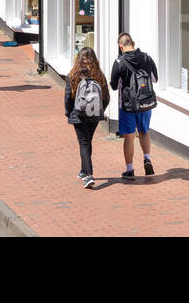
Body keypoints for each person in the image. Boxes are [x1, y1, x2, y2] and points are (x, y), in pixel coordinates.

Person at [110, 32, 158, 179]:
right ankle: (147, 158)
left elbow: (112, 85)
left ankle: (130, 170)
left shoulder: (119, 62)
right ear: (133, 43)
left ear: (120, 46)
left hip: (128, 105)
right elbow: (155, 79)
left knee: (129, 136)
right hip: (145, 102)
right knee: (144, 131)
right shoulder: (147, 58)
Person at [64, 47, 109, 189]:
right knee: (87, 142)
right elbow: (106, 97)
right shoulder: (99, 75)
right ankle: (83, 171)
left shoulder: (73, 75)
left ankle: (89, 175)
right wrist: (100, 110)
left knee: (84, 143)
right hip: (94, 114)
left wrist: (68, 112)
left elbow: (68, 98)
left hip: (79, 114)